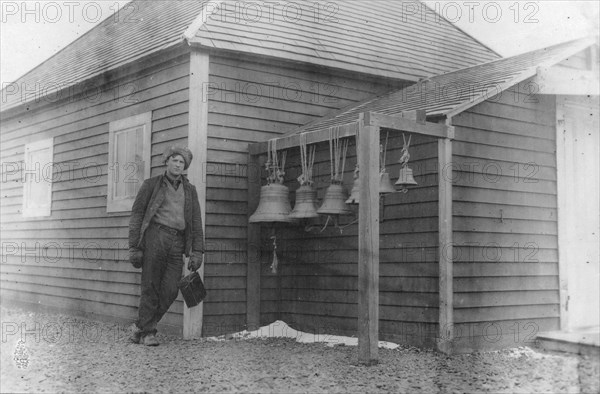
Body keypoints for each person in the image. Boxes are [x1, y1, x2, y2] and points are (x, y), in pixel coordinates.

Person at [128, 145, 204, 346]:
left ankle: (139, 326)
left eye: (182, 162)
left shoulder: (190, 190)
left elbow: (196, 222)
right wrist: (134, 247)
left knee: (171, 290)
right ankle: (148, 333)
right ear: (167, 161)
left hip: (177, 241)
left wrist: (197, 251)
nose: (178, 165)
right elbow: (136, 216)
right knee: (150, 286)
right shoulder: (151, 185)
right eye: (175, 160)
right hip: (155, 237)